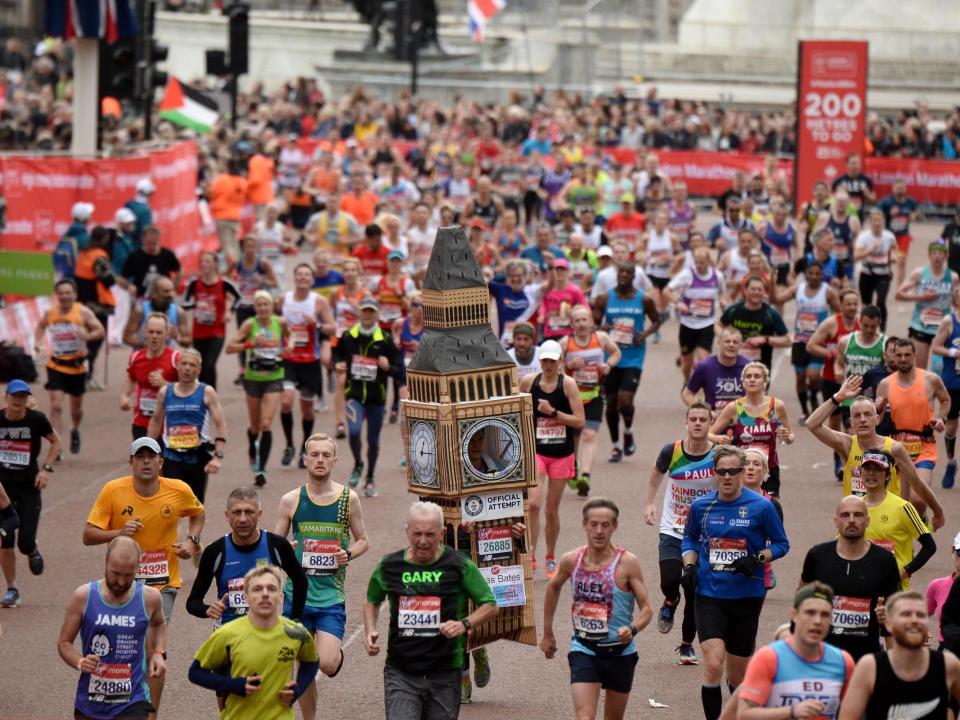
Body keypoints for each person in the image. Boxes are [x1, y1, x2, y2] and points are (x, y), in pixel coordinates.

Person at [82, 437, 205, 713]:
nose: (146, 461)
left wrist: (191, 541)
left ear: (161, 463)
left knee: (152, 648)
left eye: (152, 457)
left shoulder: (179, 490)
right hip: (120, 585)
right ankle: (117, 705)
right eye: (140, 457)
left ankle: (150, 714)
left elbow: (197, 513)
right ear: (131, 463)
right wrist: (119, 532)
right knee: (119, 649)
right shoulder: (113, 491)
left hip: (163, 585)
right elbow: (88, 536)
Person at [681, 444, 789, 720]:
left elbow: (781, 544)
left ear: (742, 472)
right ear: (714, 473)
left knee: (738, 675)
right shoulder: (701, 505)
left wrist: (757, 558)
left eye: (733, 471)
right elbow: (690, 538)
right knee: (714, 663)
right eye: (722, 472)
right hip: (709, 595)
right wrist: (690, 565)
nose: (727, 477)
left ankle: (738, 712)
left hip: (746, 596)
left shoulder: (762, 507)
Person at [364, 501, 498, 720]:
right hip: (401, 670)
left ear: (442, 533)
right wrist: (369, 630)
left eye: (430, 534)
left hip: (445, 671)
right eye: (417, 534)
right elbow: (372, 601)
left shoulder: (458, 565)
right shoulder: (390, 565)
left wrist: (463, 624)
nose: (423, 541)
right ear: (407, 531)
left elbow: (490, 604)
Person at [274, 432, 369, 719]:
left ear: (335, 461)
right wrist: (285, 549)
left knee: (325, 664)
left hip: (330, 597)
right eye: (314, 454)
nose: (320, 460)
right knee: (304, 664)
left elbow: (364, 539)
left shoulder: (347, 499)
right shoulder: (291, 500)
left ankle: (331, 654)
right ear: (305, 459)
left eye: (326, 455)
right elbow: (272, 544)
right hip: (297, 597)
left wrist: (348, 554)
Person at [540, 497, 654, 720]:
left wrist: (632, 629)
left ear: (615, 527)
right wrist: (547, 633)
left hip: (620, 652)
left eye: (605, 525)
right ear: (584, 525)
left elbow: (647, 609)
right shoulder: (571, 560)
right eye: (593, 524)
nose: (599, 531)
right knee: (585, 717)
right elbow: (553, 588)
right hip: (584, 648)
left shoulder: (628, 562)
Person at [805, 374, 945, 524]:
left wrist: (938, 511)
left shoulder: (894, 448)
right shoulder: (847, 445)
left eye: (867, 414)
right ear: (851, 422)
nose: (863, 419)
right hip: (855, 522)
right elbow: (812, 424)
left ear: (877, 419)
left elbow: (916, 482)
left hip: (888, 522)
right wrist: (838, 397)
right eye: (857, 416)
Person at [189, 566, 320, 720]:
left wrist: (297, 690)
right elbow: (196, 672)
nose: (265, 594)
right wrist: (233, 685)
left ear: (280, 596)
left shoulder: (295, 632)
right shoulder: (228, 633)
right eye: (257, 589)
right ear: (246, 597)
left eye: (271, 589)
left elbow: (311, 662)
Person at [58, 537, 166, 720]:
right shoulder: (84, 596)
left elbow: (159, 623)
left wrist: (158, 652)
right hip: (91, 702)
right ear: (106, 562)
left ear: (138, 568)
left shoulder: (150, 598)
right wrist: (80, 662)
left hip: (133, 699)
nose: (121, 582)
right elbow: (64, 642)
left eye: (128, 575)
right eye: (115, 573)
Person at [644, 402, 715, 665]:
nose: (698, 423)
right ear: (686, 422)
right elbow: (655, 474)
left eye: (703, 419)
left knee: (694, 586)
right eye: (693, 419)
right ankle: (670, 600)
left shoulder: (717, 456)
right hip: (672, 527)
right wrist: (650, 503)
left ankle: (686, 645)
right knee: (670, 580)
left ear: (710, 423)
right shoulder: (671, 451)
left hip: (704, 532)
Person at [799, 495, 902, 660]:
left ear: (867, 521)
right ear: (836, 521)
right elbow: (801, 599)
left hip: (867, 657)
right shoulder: (818, 555)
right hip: (823, 654)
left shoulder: (884, 560)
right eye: (845, 515)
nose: (851, 520)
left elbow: (893, 616)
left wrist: (894, 664)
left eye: (858, 515)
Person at [187, 486, 306, 626]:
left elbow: (301, 582)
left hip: (267, 633)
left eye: (249, 512)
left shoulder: (277, 545)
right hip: (229, 634)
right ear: (227, 515)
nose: (242, 519)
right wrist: (207, 610)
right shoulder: (215, 551)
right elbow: (193, 602)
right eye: (236, 512)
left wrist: (294, 620)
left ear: (259, 514)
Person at [736, 582, 854, 720]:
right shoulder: (768, 658)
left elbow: (852, 713)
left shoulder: (843, 662)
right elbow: (744, 715)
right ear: (794, 615)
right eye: (810, 612)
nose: (817, 621)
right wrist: (791, 711)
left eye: (825, 615)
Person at [838, 591, 960, 720]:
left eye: (921, 615)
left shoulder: (947, 665)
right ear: (888, 624)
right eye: (906, 614)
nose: (914, 620)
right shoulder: (870, 667)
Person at [520, 339, 585, 577]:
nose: (548, 364)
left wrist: (553, 413)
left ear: (560, 361)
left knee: (551, 510)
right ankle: (531, 554)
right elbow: (516, 412)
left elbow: (580, 421)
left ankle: (550, 556)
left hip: (561, 454)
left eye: (552, 360)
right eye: (544, 360)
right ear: (540, 361)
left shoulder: (568, 385)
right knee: (534, 504)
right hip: (537, 452)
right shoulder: (529, 382)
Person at [594, 262, 661, 463]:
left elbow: (657, 320)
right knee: (611, 405)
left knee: (625, 401)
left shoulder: (644, 299)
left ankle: (629, 431)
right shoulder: (605, 298)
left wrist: (646, 334)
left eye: (628, 272)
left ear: (634, 275)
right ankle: (615, 446)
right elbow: (595, 322)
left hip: (633, 357)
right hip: (611, 357)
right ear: (617, 274)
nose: (624, 275)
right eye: (621, 271)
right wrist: (602, 327)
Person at [0, 379, 59, 608]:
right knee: (5, 538)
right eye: (15, 396)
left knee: (24, 542)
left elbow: (56, 442)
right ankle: (12, 588)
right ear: (7, 397)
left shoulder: (36, 420)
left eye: (23, 396)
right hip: (3, 488)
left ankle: (31, 549)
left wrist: (46, 470)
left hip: (28, 487)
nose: (18, 400)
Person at [333, 297, 401, 495]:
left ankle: (370, 477)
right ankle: (358, 464)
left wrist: (389, 367)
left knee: (373, 440)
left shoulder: (385, 339)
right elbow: (337, 354)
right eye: (365, 311)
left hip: (376, 398)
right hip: (353, 394)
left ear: (378, 314)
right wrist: (337, 364)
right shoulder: (348, 336)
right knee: (353, 432)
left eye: (372, 311)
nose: (368, 315)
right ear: (359, 313)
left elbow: (399, 369)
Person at [876, 338, 950, 510]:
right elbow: (877, 419)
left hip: (924, 446)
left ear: (915, 355)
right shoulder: (885, 385)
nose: (903, 359)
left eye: (907, 355)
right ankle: (912, 531)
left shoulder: (931, 380)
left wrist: (941, 419)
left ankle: (921, 526)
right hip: (897, 447)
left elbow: (945, 400)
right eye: (899, 355)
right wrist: (877, 408)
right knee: (902, 504)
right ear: (893, 356)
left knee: (918, 499)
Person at [34, 279, 105, 455]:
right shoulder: (51, 313)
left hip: (77, 367)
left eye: (68, 293)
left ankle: (75, 429)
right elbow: (40, 327)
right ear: (56, 295)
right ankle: (56, 445)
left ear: (74, 295)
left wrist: (87, 336)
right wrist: (37, 342)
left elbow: (100, 330)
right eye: (61, 293)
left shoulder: (83, 312)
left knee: (76, 409)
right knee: (56, 406)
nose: (65, 296)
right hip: (56, 364)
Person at [146, 349, 227, 504]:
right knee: (170, 504)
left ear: (199, 370)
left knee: (195, 506)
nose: (187, 368)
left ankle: (192, 529)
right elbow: (156, 421)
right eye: (184, 364)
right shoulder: (165, 392)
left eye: (192, 365)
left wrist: (218, 457)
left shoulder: (207, 392)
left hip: (197, 457)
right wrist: (148, 451)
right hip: (171, 456)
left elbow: (221, 424)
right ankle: (174, 529)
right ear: (177, 366)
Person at [226, 290, 289, 488]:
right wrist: (252, 343)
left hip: (274, 377)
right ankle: (253, 451)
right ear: (255, 307)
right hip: (252, 378)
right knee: (254, 427)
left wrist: (291, 345)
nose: (263, 308)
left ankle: (261, 469)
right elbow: (230, 347)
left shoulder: (280, 322)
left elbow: (290, 336)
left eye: (266, 305)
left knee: (265, 423)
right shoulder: (249, 324)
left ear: (272, 306)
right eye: (259, 305)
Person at [278, 264, 335, 468]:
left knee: (308, 410)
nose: (303, 277)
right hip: (289, 360)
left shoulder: (318, 301)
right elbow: (272, 318)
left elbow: (332, 327)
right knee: (286, 402)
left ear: (312, 280)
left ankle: (304, 447)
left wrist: (317, 325)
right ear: (295, 277)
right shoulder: (284, 299)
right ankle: (289, 446)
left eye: (306, 275)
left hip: (310, 362)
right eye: (299, 274)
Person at [708, 362, 794, 496]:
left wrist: (786, 436)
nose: (752, 379)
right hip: (741, 470)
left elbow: (790, 437)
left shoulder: (776, 406)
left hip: (768, 468)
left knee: (769, 508)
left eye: (757, 376)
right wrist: (720, 439)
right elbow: (709, 434)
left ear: (765, 382)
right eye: (748, 376)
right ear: (743, 382)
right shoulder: (734, 407)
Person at [560, 305, 620, 496]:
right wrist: (568, 366)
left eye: (584, 319)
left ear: (591, 322)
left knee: (589, 435)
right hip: (571, 398)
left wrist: (608, 366)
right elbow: (555, 367)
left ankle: (585, 475)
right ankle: (574, 468)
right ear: (571, 324)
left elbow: (616, 353)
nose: (581, 324)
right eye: (577, 320)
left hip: (593, 394)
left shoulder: (601, 338)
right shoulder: (564, 342)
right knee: (573, 438)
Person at [857, 449, 936, 591]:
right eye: (867, 468)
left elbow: (930, 546)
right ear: (860, 473)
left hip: (894, 589)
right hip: (863, 586)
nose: (871, 473)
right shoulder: (855, 508)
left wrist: (903, 573)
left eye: (877, 469)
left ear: (887, 475)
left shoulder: (903, 507)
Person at [806, 289, 861, 477]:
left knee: (851, 424)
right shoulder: (831, 324)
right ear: (841, 305)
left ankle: (852, 464)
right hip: (831, 378)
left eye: (855, 304)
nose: (852, 308)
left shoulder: (863, 326)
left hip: (853, 382)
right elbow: (811, 345)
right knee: (835, 421)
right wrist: (833, 354)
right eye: (848, 304)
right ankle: (838, 458)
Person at [775, 261, 838, 420]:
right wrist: (771, 283)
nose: (814, 277)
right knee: (801, 379)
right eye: (811, 273)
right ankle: (805, 411)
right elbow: (777, 299)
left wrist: (832, 330)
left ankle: (814, 397)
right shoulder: (798, 289)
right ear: (806, 274)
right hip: (800, 341)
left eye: (817, 274)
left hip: (817, 342)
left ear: (822, 275)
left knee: (814, 375)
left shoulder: (828, 292)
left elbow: (840, 313)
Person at [182, 251, 241, 389]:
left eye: (207, 261)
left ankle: (211, 393)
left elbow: (239, 298)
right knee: (200, 366)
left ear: (215, 264)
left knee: (209, 363)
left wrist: (229, 312)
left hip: (217, 331)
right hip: (198, 332)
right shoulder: (194, 283)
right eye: (202, 261)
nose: (203, 264)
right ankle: (203, 395)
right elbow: (184, 303)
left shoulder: (224, 283)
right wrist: (197, 305)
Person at [897, 240, 958, 370]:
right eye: (934, 253)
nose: (937, 256)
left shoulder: (953, 277)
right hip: (920, 326)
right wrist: (921, 297)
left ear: (946, 256)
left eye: (940, 253)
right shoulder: (920, 273)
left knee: (939, 369)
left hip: (943, 329)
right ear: (929, 255)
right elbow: (899, 294)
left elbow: (957, 301)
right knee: (919, 369)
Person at [330, 258, 374, 439]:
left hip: (360, 343)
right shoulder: (336, 293)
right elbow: (329, 314)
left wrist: (357, 309)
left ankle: (360, 412)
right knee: (341, 381)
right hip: (340, 341)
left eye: (352, 270)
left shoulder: (366, 294)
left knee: (361, 381)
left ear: (358, 272)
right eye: (345, 270)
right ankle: (340, 423)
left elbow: (371, 320)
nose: (348, 273)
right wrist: (331, 325)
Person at [668, 247, 725, 382]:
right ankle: (687, 382)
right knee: (687, 361)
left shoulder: (717, 276)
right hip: (688, 324)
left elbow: (722, 291)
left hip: (707, 324)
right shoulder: (687, 275)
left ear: (708, 262)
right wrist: (678, 303)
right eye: (696, 262)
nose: (699, 265)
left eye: (702, 263)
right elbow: (667, 290)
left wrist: (722, 301)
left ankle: (700, 387)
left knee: (704, 360)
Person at [120, 313, 179, 441]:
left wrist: (165, 384)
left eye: (159, 332)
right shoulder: (136, 357)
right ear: (145, 332)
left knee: (162, 461)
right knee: (142, 460)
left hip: (168, 426)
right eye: (151, 332)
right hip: (141, 423)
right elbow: (131, 377)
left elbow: (188, 390)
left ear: (166, 334)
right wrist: (124, 396)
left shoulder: (176, 359)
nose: (154, 336)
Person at [74, 225, 117, 388]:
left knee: (86, 338)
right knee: (97, 337)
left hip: (83, 302)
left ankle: (83, 371)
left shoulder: (83, 253)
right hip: (98, 304)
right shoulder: (99, 256)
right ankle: (88, 371)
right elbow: (108, 280)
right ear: (104, 238)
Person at [718, 275, 791, 369]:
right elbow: (718, 325)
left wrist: (765, 339)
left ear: (764, 292)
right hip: (733, 366)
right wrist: (727, 338)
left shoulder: (771, 314)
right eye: (753, 289)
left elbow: (788, 341)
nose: (756, 292)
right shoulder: (734, 310)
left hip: (759, 369)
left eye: (759, 290)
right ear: (745, 291)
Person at [682, 327, 750, 416]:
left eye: (735, 342)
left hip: (742, 421)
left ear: (741, 345)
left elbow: (760, 395)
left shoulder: (748, 367)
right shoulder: (705, 366)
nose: (731, 345)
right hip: (714, 421)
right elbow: (687, 394)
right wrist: (704, 411)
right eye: (727, 341)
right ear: (719, 343)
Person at [931, 287, 960, 488]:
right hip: (954, 381)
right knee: (951, 426)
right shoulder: (950, 321)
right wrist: (953, 352)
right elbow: (936, 346)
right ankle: (950, 461)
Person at [855, 208, 897, 330]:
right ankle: (865, 327)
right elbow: (856, 256)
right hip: (867, 273)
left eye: (879, 220)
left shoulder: (889, 236)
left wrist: (893, 257)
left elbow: (894, 250)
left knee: (881, 302)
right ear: (870, 222)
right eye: (874, 220)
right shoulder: (864, 236)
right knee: (866, 304)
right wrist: (870, 250)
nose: (877, 223)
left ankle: (882, 329)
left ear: (883, 222)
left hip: (883, 274)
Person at [122, 276, 189, 349]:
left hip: (167, 359)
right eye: (166, 291)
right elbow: (126, 337)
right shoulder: (140, 311)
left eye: (172, 291)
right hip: (145, 357)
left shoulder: (178, 312)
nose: (171, 295)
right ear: (154, 294)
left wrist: (178, 338)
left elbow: (188, 341)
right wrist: (146, 346)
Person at [120, 226, 182, 299]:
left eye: (154, 243)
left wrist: (173, 287)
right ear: (142, 240)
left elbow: (180, 270)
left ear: (159, 240)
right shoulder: (135, 256)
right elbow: (121, 279)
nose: (151, 246)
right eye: (148, 243)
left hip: (164, 298)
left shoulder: (167, 254)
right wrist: (129, 286)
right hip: (142, 297)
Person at [925, 532, 960, 653]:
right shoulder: (937, 585)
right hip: (948, 651)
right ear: (953, 552)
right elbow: (924, 614)